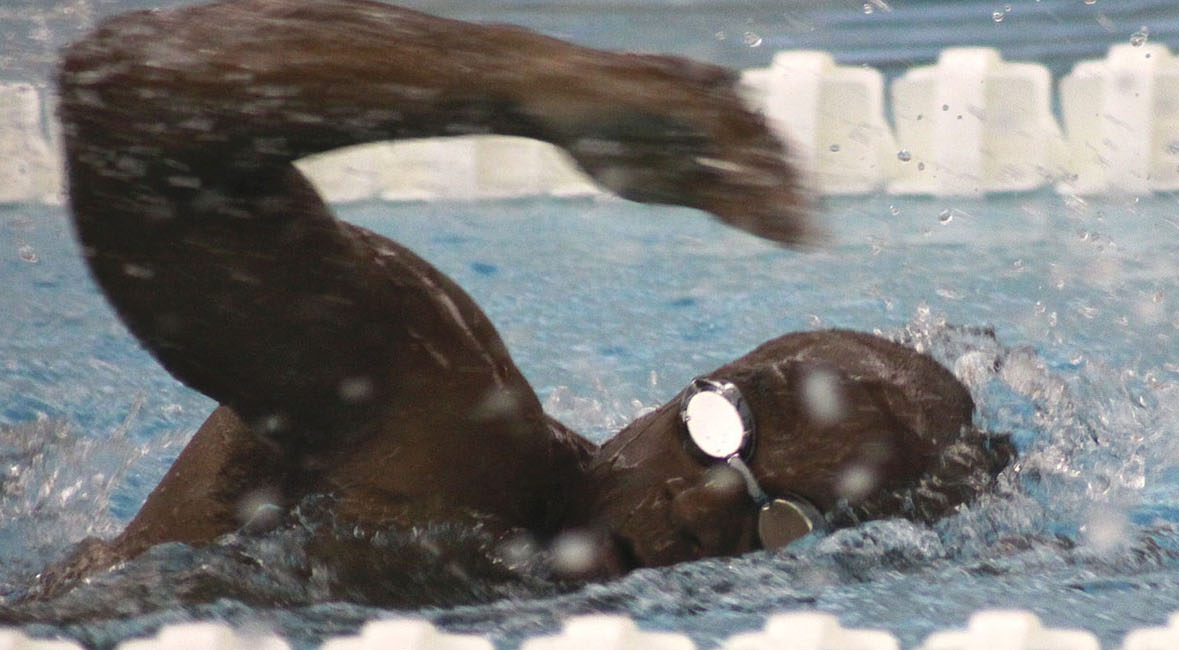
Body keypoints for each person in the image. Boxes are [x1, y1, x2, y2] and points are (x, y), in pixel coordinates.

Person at [41, 0, 1011, 603]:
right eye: (722, 426)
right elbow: (125, 97)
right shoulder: (448, 424)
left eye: (783, 517)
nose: (703, 498)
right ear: (684, 389)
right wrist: (536, 83)